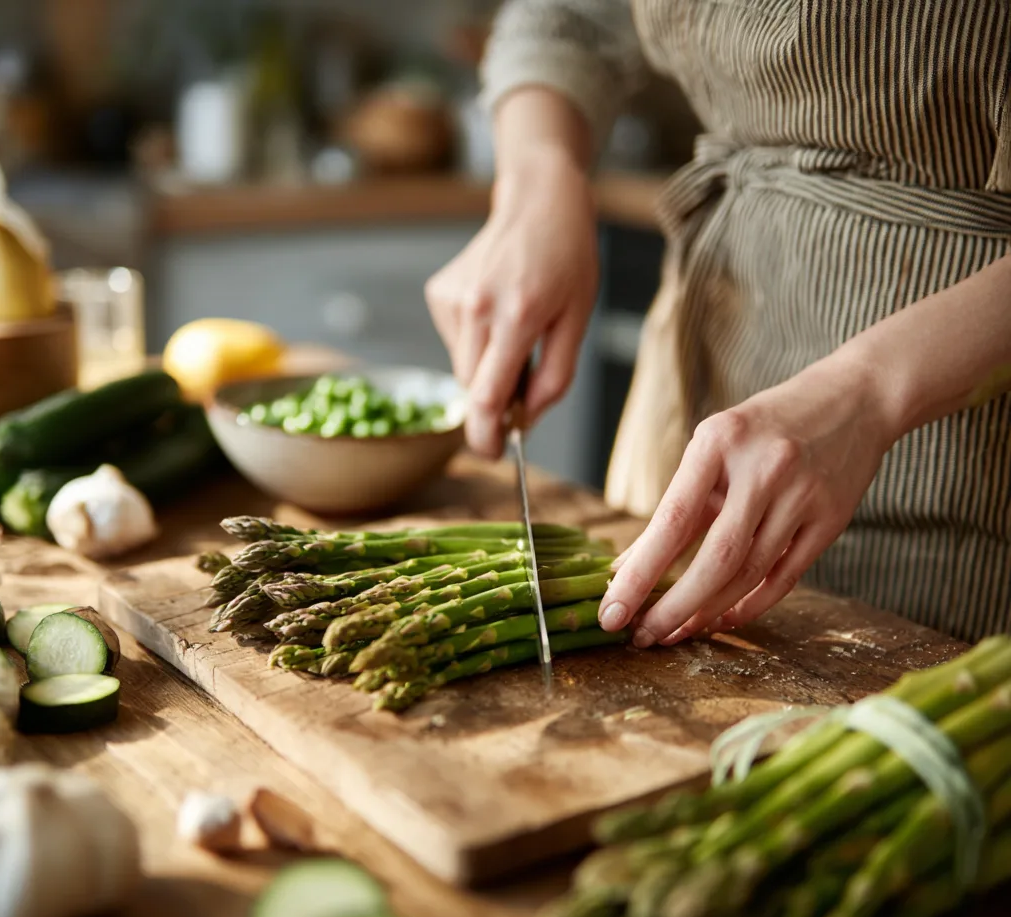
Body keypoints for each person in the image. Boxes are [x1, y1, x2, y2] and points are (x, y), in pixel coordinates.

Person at [425, 0, 1011, 647]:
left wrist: (871, 394)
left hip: (970, 449)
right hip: (711, 353)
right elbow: (571, 16)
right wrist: (537, 178)